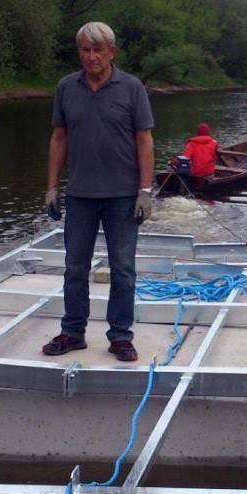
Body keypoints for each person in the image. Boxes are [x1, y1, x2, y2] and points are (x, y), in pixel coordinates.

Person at [42, 22, 155, 362]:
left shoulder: (132, 88)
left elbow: (144, 140)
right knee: (75, 267)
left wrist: (145, 190)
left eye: (98, 50)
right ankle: (73, 332)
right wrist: (51, 188)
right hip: (80, 195)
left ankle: (120, 336)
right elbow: (59, 138)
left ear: (111, 52)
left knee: (123, 268)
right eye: (85, 50)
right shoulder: (66, 88)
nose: (91, 56)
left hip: (123, 196)